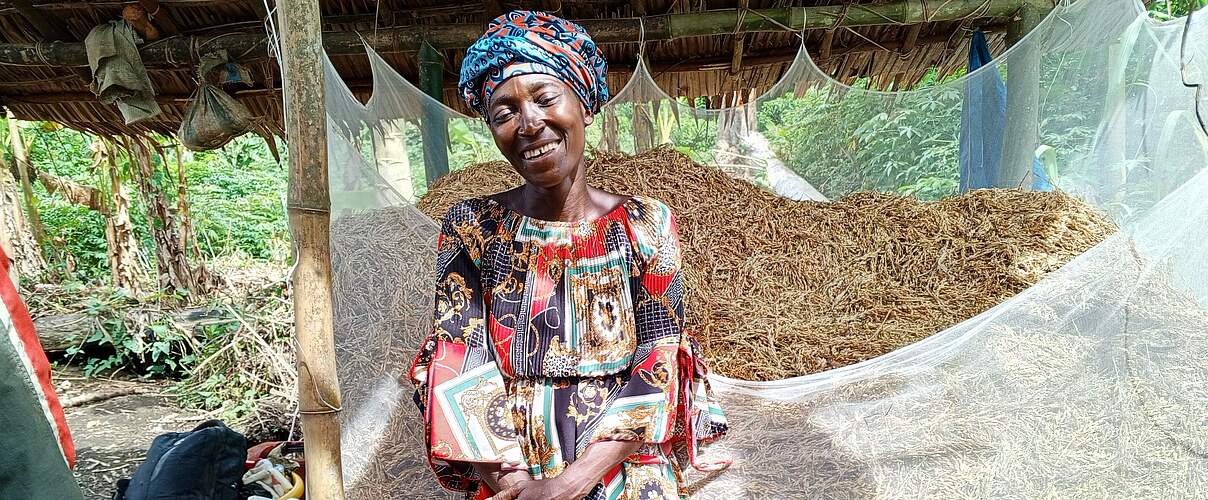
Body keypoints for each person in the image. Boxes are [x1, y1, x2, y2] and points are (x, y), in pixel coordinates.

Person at [409, 10, 728, 500]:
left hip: (624, 469)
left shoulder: (645, 224)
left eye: (544, 99)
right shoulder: (472, 227)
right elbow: (458, 356)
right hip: (513, 465)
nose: (530, 123)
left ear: (584, 105)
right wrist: (517, 484)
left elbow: (659, 357)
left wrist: (572, 484)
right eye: (504, 113)